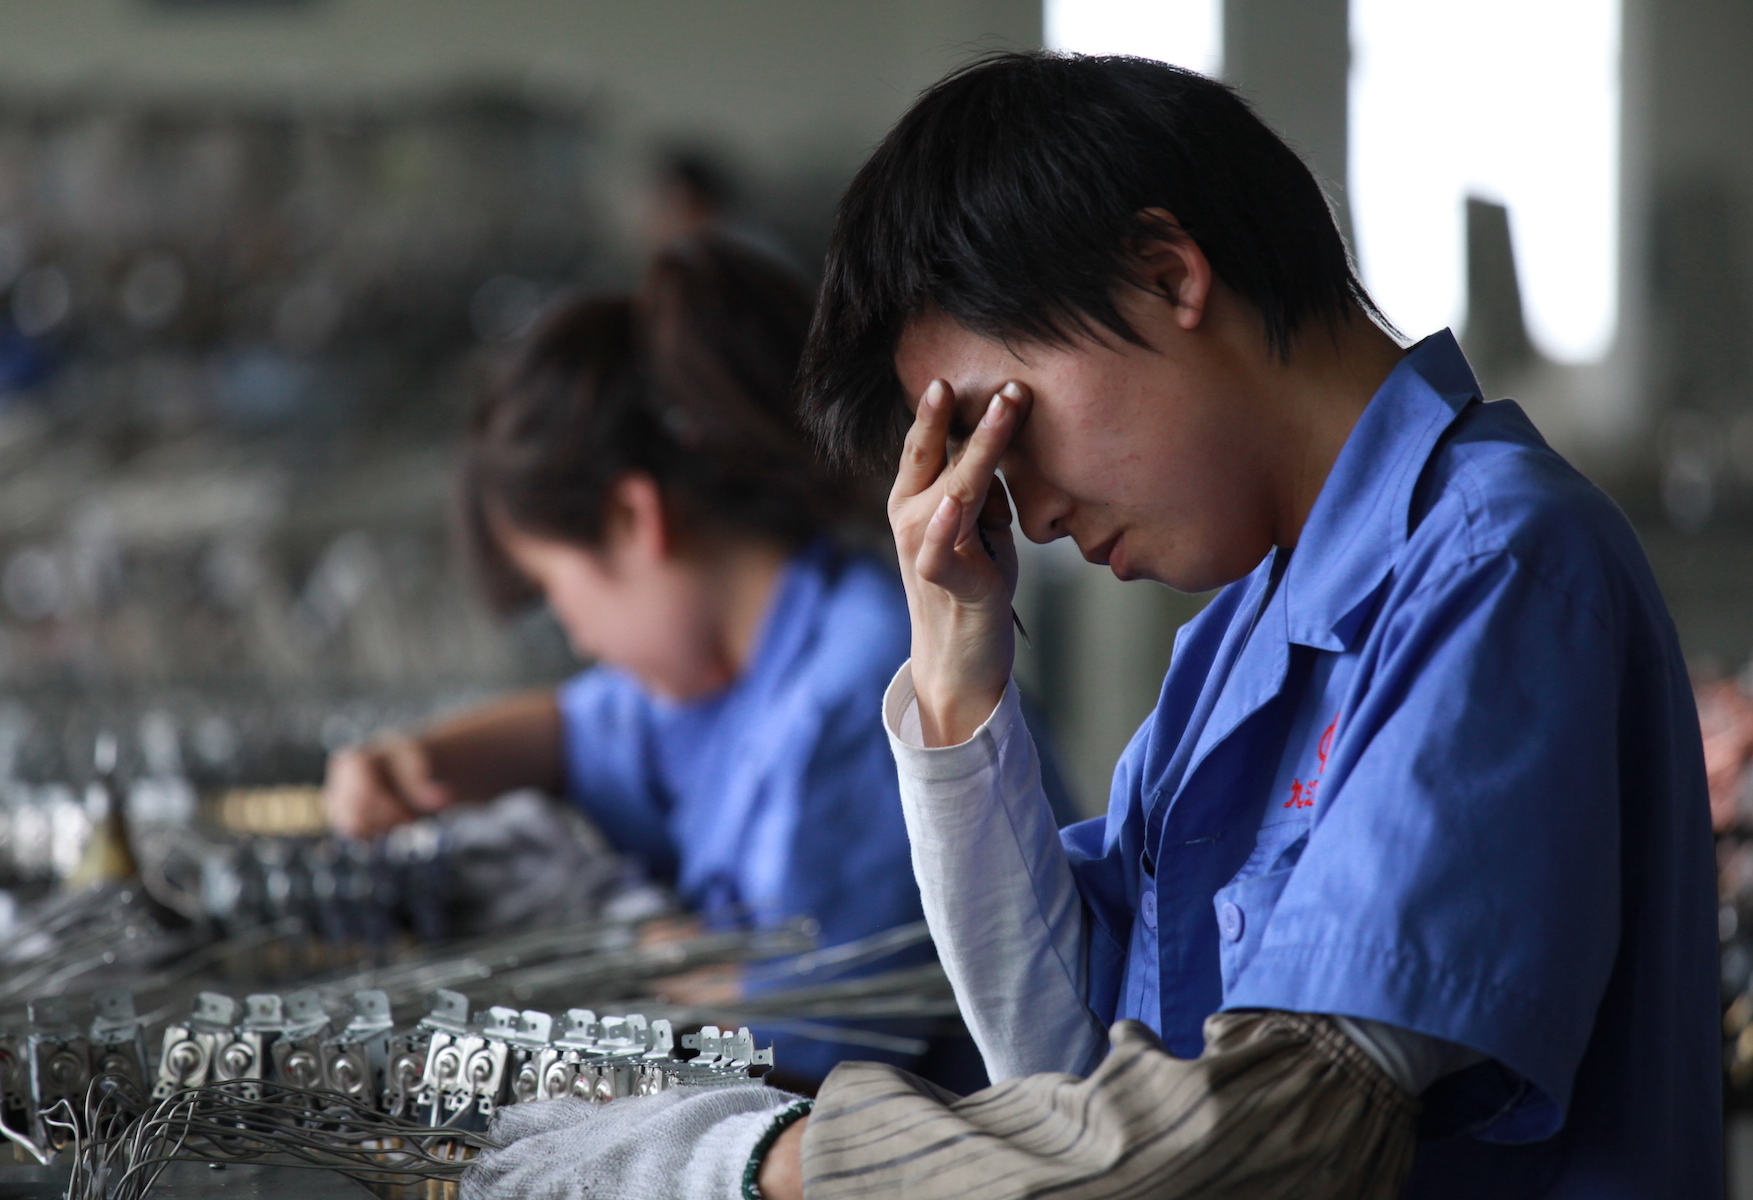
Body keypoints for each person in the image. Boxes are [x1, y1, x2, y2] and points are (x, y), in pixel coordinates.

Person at [461, 53, 1719, 1200]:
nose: (1027, 506)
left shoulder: (1495, 567)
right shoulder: (1242, 636)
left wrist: (767, 1165)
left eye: (1010, 422)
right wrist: (956, 679)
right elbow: (1068, 1068)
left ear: (1166, 274)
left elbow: (1273, 1135)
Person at [323, 232, 929, 1087]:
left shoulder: (864, 691)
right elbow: (577, 728)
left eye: (557, 590)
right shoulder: (728, 673)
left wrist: (638, 945)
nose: (578, 640)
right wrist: (417, 759)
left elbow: (802, 1048)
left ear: (633, 520)